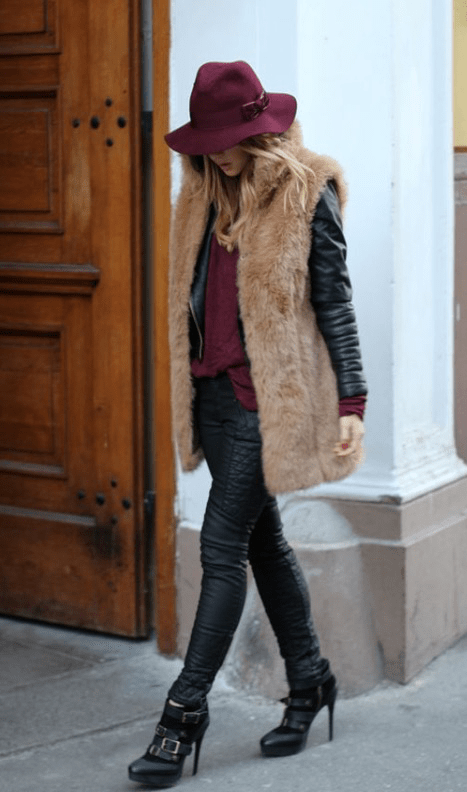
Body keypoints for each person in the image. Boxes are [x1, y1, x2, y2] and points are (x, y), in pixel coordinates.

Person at [129, 60, 367, 788]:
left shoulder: (306, 190)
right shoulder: (201, 194)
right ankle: (310, 681)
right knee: (263, 542)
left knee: (222, 547)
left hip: (265, 402)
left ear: (259, 131)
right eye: (205, 143)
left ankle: (182, 715)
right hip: (210, 393)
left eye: (226, 141)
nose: (217, 154)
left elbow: (334, 302)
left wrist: (352, 403)